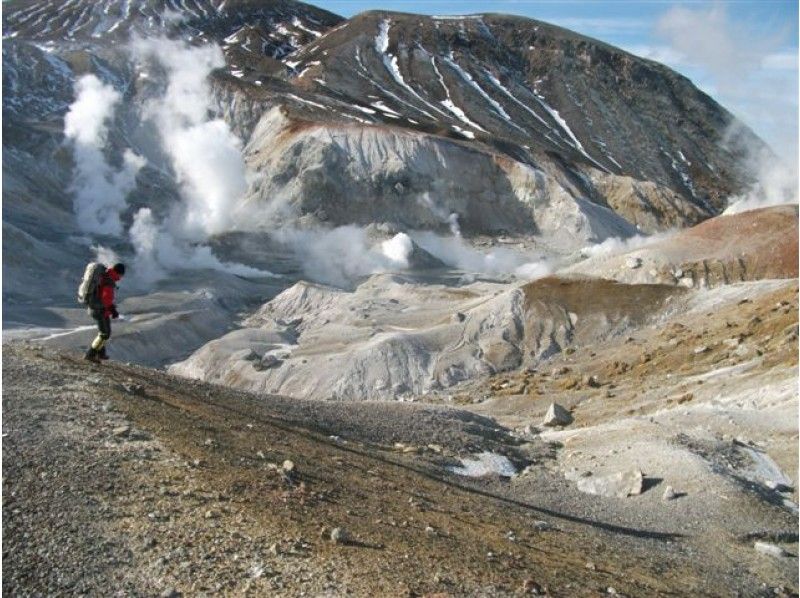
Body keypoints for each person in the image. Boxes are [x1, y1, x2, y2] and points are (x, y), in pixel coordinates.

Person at [84, 263, 125, 363]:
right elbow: (106, 299)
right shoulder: (109, 281)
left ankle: (100, 353)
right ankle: (90, 354)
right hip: (99, 310)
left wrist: (110, 308)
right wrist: (113, 310)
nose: (121, 277)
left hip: (99, 309)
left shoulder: (106, 276)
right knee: (104, 334)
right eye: (122, 275)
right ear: (119, 273)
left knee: (106, 332)